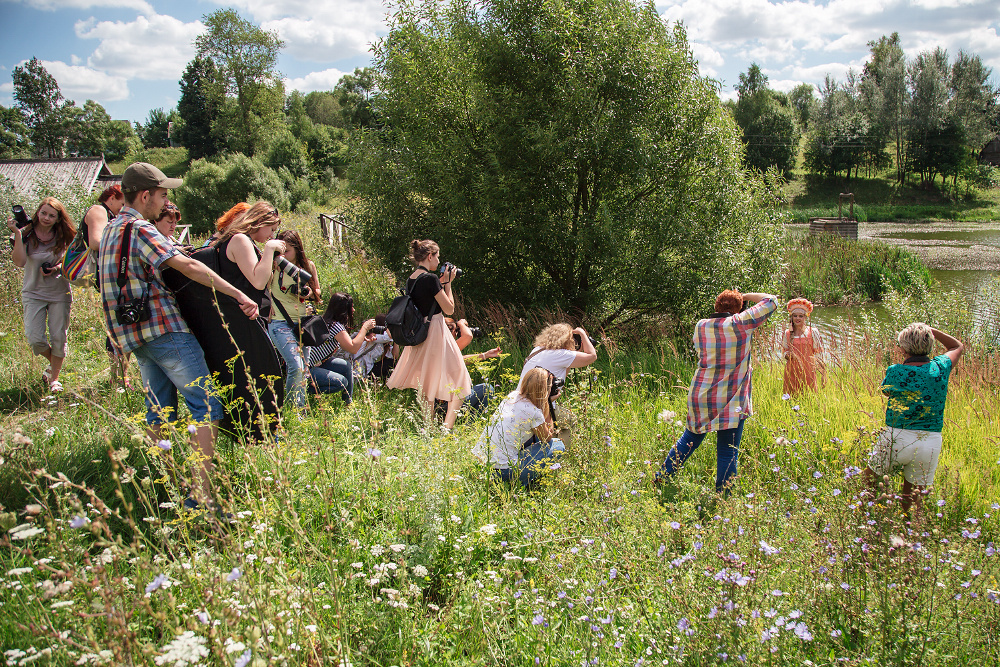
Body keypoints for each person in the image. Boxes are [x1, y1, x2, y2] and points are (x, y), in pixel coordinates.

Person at [96, 162, 260, 509]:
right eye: (162, 195)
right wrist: (238, 294)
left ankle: (169, 487)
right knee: (206, 404)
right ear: (145, 195)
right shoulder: (140, 228)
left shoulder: (112, 229)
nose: (163, 202)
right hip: (164, 330)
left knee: (159, 410)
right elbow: (187, 265)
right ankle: (201, 496)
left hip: (135, 336)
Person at [655, 290, 778, 494]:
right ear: (739, 309)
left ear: (716, 307)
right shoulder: (741, 323)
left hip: (701, 393)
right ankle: (724, 496)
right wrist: (745, 296)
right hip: (731, 398)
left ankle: (662, 478)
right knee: (727, 451)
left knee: (689, 440)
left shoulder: (701, 326)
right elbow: (771, 300)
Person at [200, 201, 286, 439]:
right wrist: (269, 249)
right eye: (271, 228)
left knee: (252, 377)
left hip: (241, 319)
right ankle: (262, 434)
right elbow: (257, 282)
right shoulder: (239, 240)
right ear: (258, 222)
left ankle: (256, 434)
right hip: (243, 321)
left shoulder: (236, 240)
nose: (272, 235)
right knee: (258, 376)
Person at [864, 323, 963, 515]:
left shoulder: (895, 371)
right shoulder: (941, 368)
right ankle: (910, 531)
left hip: (897, 437)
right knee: (913, 496)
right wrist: (930, 330)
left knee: (869, 480)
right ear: (930, 344)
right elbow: (956, 346)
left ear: (903, 348)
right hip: (930, 441)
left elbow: (886, 392)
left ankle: (866, 517)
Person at [387, 240, 472, 429]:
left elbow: (425, 300)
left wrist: (441, 283)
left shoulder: (412, 279)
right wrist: (448, 284)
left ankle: (428, 427)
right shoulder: (431, 279)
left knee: (427, 380)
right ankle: (446, 428)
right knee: (460, 377)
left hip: (419, 331)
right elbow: (449, 309)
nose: (438, 260)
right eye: (438, 256)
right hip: (435, 330)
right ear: (430, 256)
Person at [6, 197, 76, 392]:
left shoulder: (64, 235)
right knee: (35, 338)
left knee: (58, 337)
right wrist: (18, 235)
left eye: (51, 215)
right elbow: (19, 262)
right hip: (33, 292)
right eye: (43, 213)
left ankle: (54, 379)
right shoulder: (27, 234)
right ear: (37, 213)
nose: (46, 218)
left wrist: (57, 268)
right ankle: (56, 359)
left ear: (58, 219)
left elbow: (72, 261)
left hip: (59, 292)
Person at [472, 367, 566, 490]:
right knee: (558, 446)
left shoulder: (512, 396)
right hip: (503, 471)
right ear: (545, 390)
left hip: (481, 463)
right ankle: (518, 483)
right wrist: (547, 402)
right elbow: (547, 438)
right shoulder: (534, 412)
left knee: (532, 432)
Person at [267, 229, 321, 411]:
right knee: (296, 366)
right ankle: (291, 411)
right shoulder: (272, 265)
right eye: (280, 251)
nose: (283, 255)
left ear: (297, 249)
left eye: (287, 250)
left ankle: (298, 409)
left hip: (302, 324)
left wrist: (307, 292)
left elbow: (318, 293)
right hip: (279, 321)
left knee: (304, 370)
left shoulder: (308, 266)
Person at [83, 185, 130, 388]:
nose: (123, 207)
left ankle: (121, 375)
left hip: (113, 273)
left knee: (122, 321)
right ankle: (118, 376)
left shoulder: (110, 213)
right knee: (117, 322)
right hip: (106, 276)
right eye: (122, 202)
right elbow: (95, 242)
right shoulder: (98, 210)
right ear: (111, 197)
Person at [519, 323, 598, 429]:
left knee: (563, 420)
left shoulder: (538, 349)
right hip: (538, 405)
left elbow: (563, 369)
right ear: (567, 339)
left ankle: (551, 439)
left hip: (521, 401)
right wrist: (582, 334)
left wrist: (574, 353)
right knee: (570, 420)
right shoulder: (560, 354)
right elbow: (592, 356)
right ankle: (557, 444)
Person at [307, 293, 376, 405]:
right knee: (341, 382)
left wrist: (363, 338)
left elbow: (349, 343)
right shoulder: (335, 326)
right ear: (344, 310)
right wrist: (365, 328)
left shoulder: (329, 322)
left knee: (345, 366)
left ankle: (348, 403)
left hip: (316, 363)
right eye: (351, 307)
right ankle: (304, 389)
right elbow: (352, 348)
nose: (353, 310)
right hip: (307, 369)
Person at [436, 317, 502, 416]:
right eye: (456, 331)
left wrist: (485, 355)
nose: (457, 334)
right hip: (448, 403)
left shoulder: (435, 347)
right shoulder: (446, 346)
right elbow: (467, 336)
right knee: (487, 389)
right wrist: (461, 324)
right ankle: (469, 425)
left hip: (434, 405)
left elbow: (461, 359)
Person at [781, 298, 825, 395]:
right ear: (791, 317)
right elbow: (784, 352)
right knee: (791, 397)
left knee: (809, 396)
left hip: (808, 370)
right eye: (795, 316)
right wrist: (787, 355)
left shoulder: (812, 332)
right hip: (791, 370)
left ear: (805, 317)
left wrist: (822, 373)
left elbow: (819, 354)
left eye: (801, 316)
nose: (798, 318)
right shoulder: (787, 333)